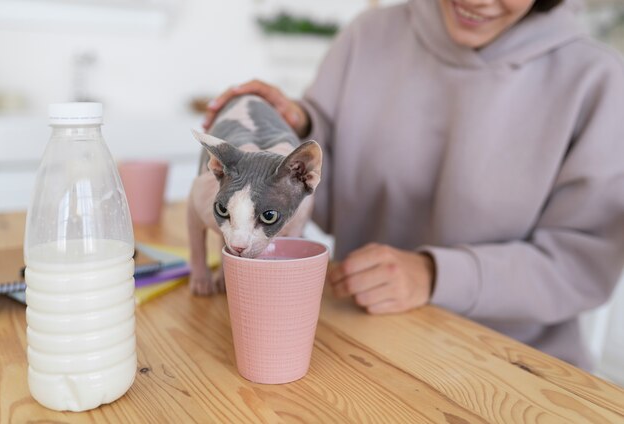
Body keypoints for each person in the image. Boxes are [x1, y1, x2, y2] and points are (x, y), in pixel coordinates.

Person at [202, 0, 624, 369]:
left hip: (516, 366)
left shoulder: (597, 80)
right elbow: (308, 192)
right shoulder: (368, 36)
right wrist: (292, 129)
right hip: (353, 339)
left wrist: (435, 275)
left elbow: (581, 264)